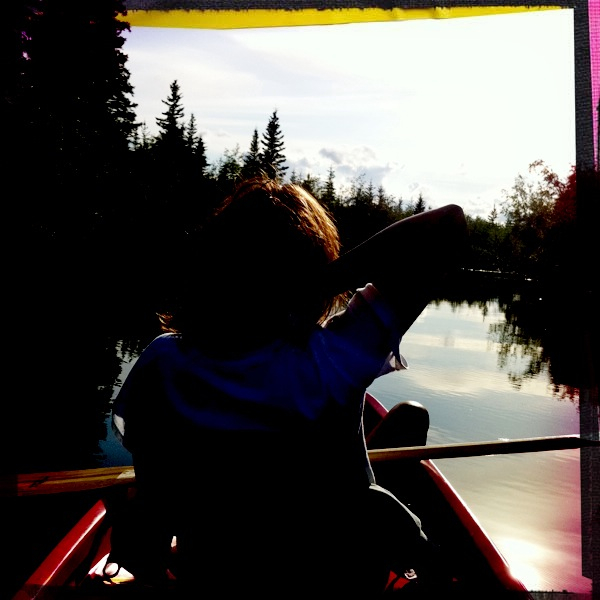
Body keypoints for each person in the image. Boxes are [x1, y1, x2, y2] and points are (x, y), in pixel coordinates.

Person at [106, 175, 467, 597]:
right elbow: (448, 225)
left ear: (212, 265)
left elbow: (155, 498)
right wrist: (319, 281)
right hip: (336, 581)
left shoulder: (163, 362)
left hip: (213, 576)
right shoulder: (334, 359)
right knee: (401, 434)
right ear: (311, 273)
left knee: (404, 423)